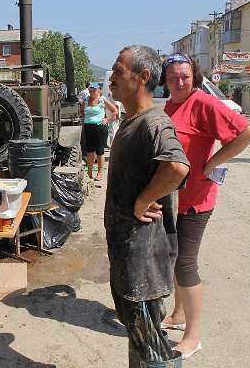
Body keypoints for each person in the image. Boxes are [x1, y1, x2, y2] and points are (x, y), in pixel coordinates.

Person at [159, 53, 250, 359]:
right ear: (165, 79)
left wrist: (211, 163)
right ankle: (178, 316)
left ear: (195, 77)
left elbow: (247, 131)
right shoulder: (170, 104)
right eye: (173, 77)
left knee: (186, 263)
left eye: (184, 76)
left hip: (195, 200)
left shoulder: (203, 103)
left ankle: (194, 336)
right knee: (174, 256)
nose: (179, 82)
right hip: (172, 197)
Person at [104, 45, 190, 367]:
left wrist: (142, 200)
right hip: (128, 256)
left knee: (152, 350)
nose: (111, 78)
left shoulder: (154, 123)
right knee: (140, 346)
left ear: (142, 77)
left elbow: (177, 167)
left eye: (118, 71)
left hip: (144, 261)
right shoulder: (130, 121)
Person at [80, 81, 119, 181]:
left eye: (94, 90)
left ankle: (99, 173)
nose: (92, 92)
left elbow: (115, 111)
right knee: (89, 151)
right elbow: (81, 110)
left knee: (100, 151)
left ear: (99, 91)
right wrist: (85, 118)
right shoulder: (86, 99)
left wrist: (106, 119)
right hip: (88, 126)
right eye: (90, 90)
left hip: (99, 127)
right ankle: (89, 172)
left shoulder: (103, 100)